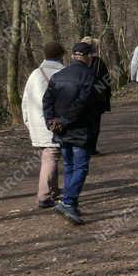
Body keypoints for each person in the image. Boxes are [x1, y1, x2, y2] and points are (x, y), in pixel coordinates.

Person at [42, 43, 101, 225]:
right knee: (80, 167)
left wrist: (51, 121)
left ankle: (71, 202)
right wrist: (61, 121)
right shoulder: (90, 77)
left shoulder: (58, 76)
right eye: (92, 55)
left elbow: (47, 101)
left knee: (69, 165)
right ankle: (68, 201)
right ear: (87, 56)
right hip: (80, 130)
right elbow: (84, 104)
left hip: (62, 130)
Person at [21, 42, 66, 208]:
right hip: (55, 122)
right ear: (61, 55)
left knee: (49, 155)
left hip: (38, 122)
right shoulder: (63, 72)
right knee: (52, 156)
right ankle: (44, 195)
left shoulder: (35, 74)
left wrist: (28, 122)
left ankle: (52, 191)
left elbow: (25, 102)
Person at [81, 36, 111, 155]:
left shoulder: (76, 62)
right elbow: (106, 81)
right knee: (94, 124)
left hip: (81, 98)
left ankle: (84, 147)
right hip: (96, 98)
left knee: (83, 124)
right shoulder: (99, 62)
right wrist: (103, 95)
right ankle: (91, 148)